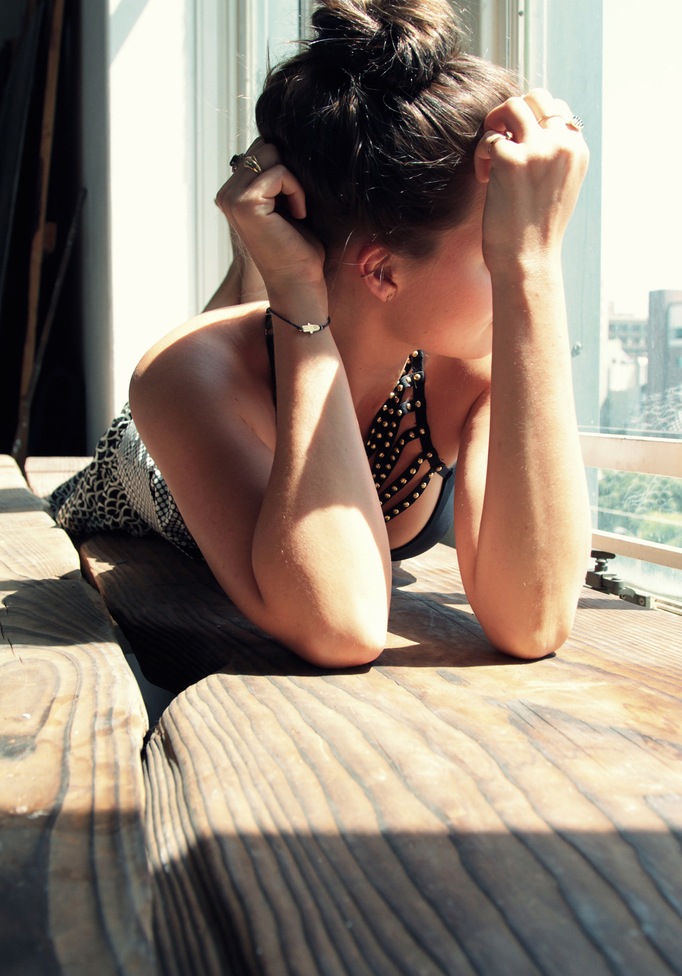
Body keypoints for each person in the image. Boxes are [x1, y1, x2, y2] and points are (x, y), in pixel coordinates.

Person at [50, 0, 591, 668]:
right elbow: (343, 625)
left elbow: (534, 621)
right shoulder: (185, 374)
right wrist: (297, 296)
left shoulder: (471, 365)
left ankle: (254, 262)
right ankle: (252, 265)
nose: (515, 273)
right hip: (119, 534)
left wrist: (534, 265)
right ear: (382, 271)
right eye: (497, 247)